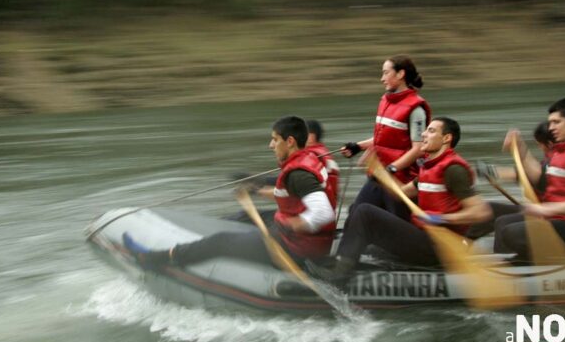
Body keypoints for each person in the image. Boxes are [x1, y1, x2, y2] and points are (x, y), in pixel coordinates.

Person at [124, 116, 337, 268]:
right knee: (251, 221)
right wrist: (257, 190)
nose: (270, 145)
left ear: (290, 142)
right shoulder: (307, 161)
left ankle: (151, 259)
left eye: (275, 139)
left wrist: (294, 224)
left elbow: (323, 213)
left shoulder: (299, 172)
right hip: (305, 244)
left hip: (293, 248)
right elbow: (291, 196)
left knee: (221, 241)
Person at [310, 117, 492, 281]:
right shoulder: (430, 168)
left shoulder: (453, 170)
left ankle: (339, 272)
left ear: (447, 138)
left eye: (431, 130)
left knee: (365, 213)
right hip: (425, 237)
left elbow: (480, 212)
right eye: (426, 129)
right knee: (369, 232)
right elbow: (401, 193)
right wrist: (381, 172)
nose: (423, 134)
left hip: (440, 247)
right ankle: (346, 257)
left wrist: (440, 218)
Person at [493, 98, 565, 259]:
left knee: (513, 232)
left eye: (556, 122)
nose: (551, 127)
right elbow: (539, 179)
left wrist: (548, 208)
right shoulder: (560, 151)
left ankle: (528, 269)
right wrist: (520, 147)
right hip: (558, 220)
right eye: (550, 123)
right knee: (503, 222)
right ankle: (511, 269)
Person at [341, 55, 431, 221]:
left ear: (400, 74)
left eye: (386, 73)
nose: (382, 79)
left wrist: (392, 168)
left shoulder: (415, 109)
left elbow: (418, 149)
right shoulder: (385, 101)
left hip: (400, 181)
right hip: (379, 175)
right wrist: (357, 146)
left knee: (396, 222)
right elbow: (384, 140)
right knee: (356, 214)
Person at [466, 121, 553, 239]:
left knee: (503, 221)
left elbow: (538, 177)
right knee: (487, 209)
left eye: (540, 144)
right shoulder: (546, 161)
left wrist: (521, 147)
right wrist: (488, 171)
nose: (540, 148)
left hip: (551, 217)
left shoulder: (558, 163)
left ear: (549, 144)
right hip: (537, 211)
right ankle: (464, 243)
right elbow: (520, 175)